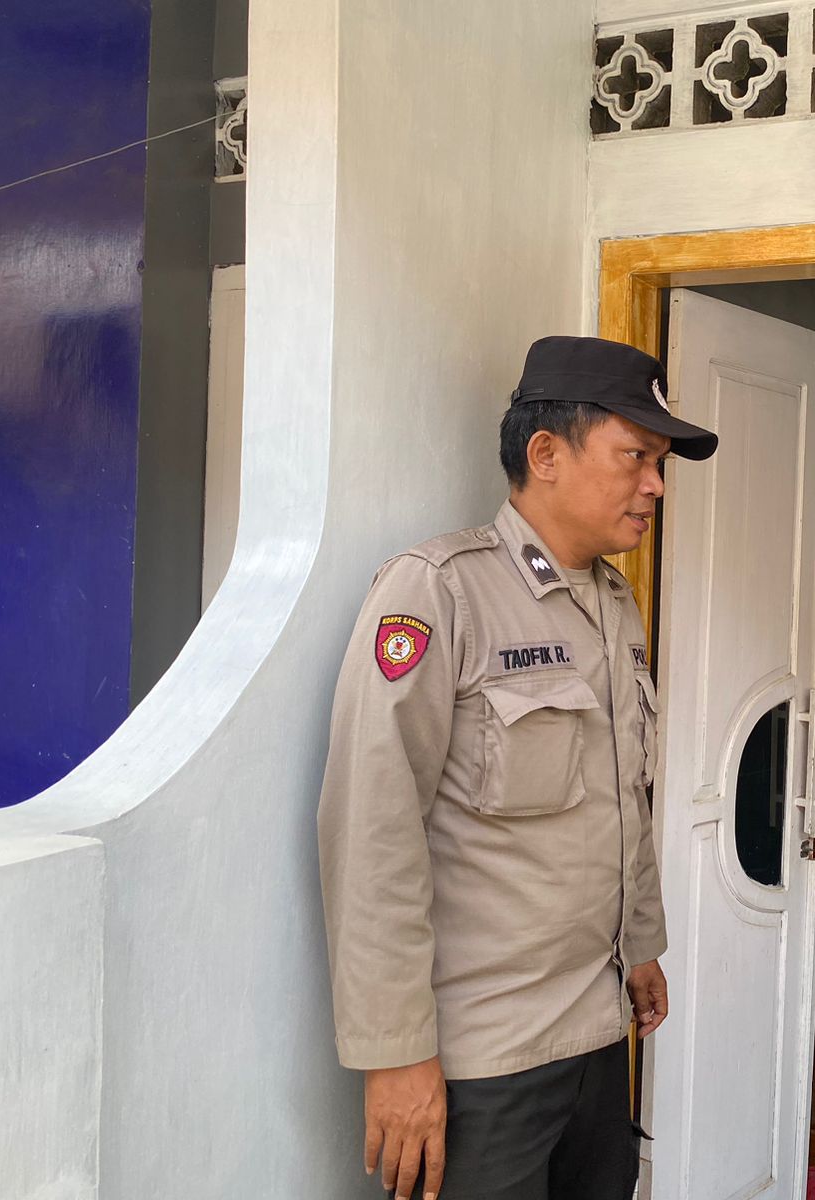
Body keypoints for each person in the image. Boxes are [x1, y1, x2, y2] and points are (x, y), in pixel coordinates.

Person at [317, 336, 717, 1200]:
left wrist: (640, 945)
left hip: (598, 1038)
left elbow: (623, 801)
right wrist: (396, 1054)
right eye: (636, 457)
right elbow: (371, 832)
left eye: (659, 464)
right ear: (546, 454)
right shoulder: (439, 592)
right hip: (483, 1061)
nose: (656, 484)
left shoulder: (614, 605)